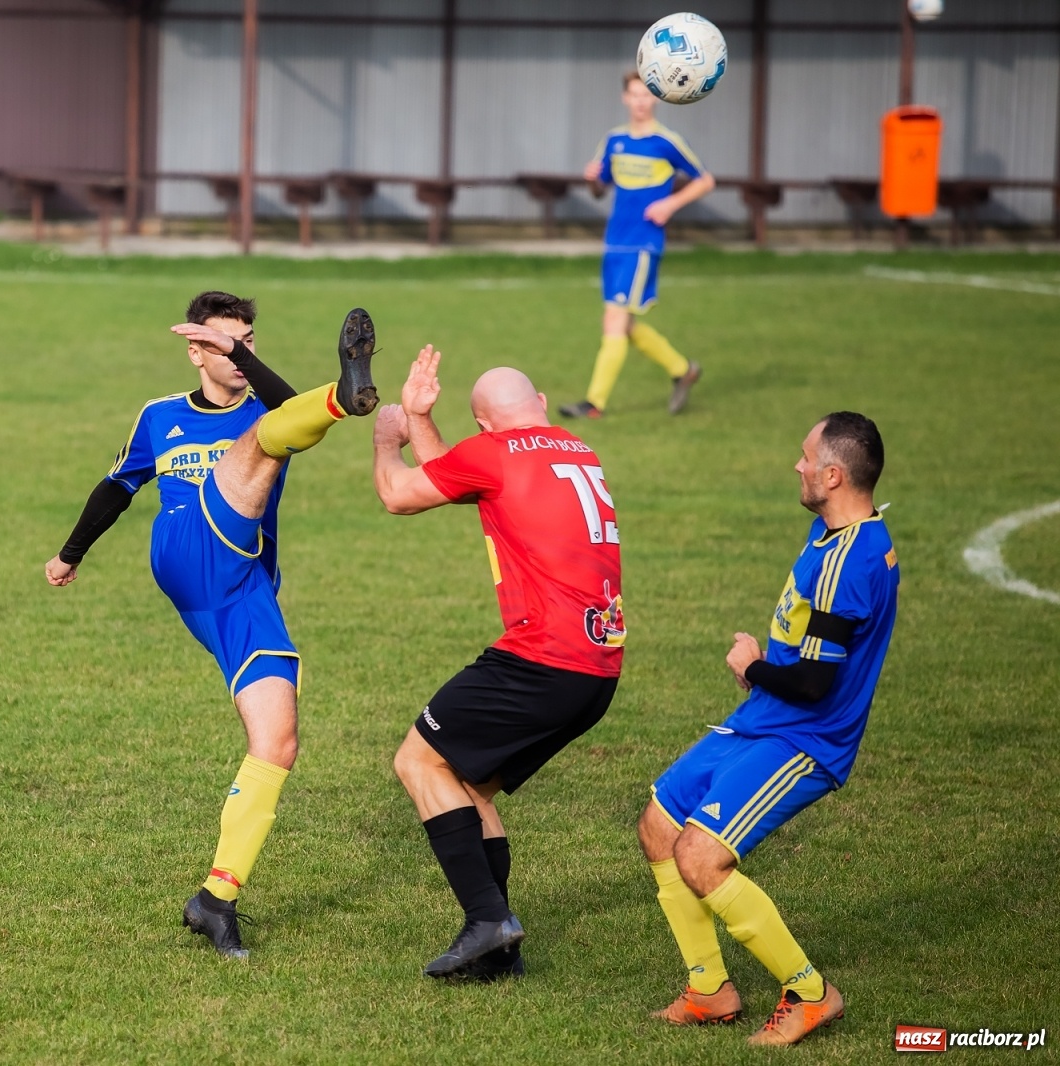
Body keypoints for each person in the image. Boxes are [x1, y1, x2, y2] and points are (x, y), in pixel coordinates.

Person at [46, 292, 378, 959]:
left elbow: (285, 407)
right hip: (184, 547)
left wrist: (244, 360)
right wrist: (70, 552)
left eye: (248, 343)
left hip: (242, 588)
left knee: (277, 741)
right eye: (227, 344)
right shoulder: (161, 416)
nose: (239, 354)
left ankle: (215, 900)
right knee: (261, 442)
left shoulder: (266, 406)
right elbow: (116, 487)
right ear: (195, 350)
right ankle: (344, 398)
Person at [638, 412, 897, 1047]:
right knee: (659, 828)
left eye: (807, 457)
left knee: (700, 856)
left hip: (805, 738)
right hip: (767, 718)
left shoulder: (852, 561)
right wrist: (763, 675)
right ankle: (709, 990)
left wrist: (751, 665)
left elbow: (814, 685)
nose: (797, 466)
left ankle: (810, 994)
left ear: (833, 476)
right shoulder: (832, 532)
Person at [372, 346, 625, 979]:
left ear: (483, 425)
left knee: (417, 761)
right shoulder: (576, 448)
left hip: (541, 659)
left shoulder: (491, 453)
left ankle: (487, 920)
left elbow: (400, 494)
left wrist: (388, 439)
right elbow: (460, 476)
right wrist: (423, 419)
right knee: (468, 784)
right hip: (596, 670)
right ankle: (500, 951)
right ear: (540, 403)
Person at [560, 70, 714, 421]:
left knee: (614, 319)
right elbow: (599, 189)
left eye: (647, 95)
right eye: (634, 94)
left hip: (644, 242)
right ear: (625, 98)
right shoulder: (614, 140)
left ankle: (594, 403)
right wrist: (592, 180)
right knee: (622, 323)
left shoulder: (667, 142)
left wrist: (670, 204)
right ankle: (682, 369)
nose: (641, 101)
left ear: (655, 98)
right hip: (615, 241)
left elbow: (705, 180)